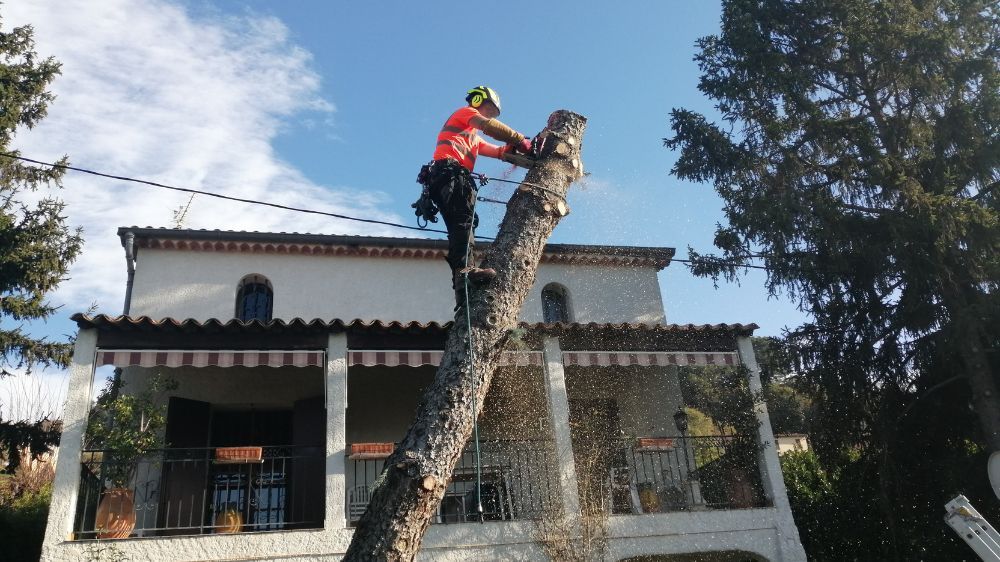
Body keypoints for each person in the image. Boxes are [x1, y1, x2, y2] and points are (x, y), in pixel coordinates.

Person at [417, 86, 531, 303]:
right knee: (463, 222)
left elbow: (499, 152)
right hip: (449, 174)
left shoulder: (473, 139)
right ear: (478, 101)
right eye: (488, 109)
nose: (488, 114)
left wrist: (512, 149)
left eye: (492, 112)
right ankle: (464, 272)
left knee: (463, 226)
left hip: (447, 177)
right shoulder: (465, 113)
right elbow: (489, 126)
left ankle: (462, 289)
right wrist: (519, 139)